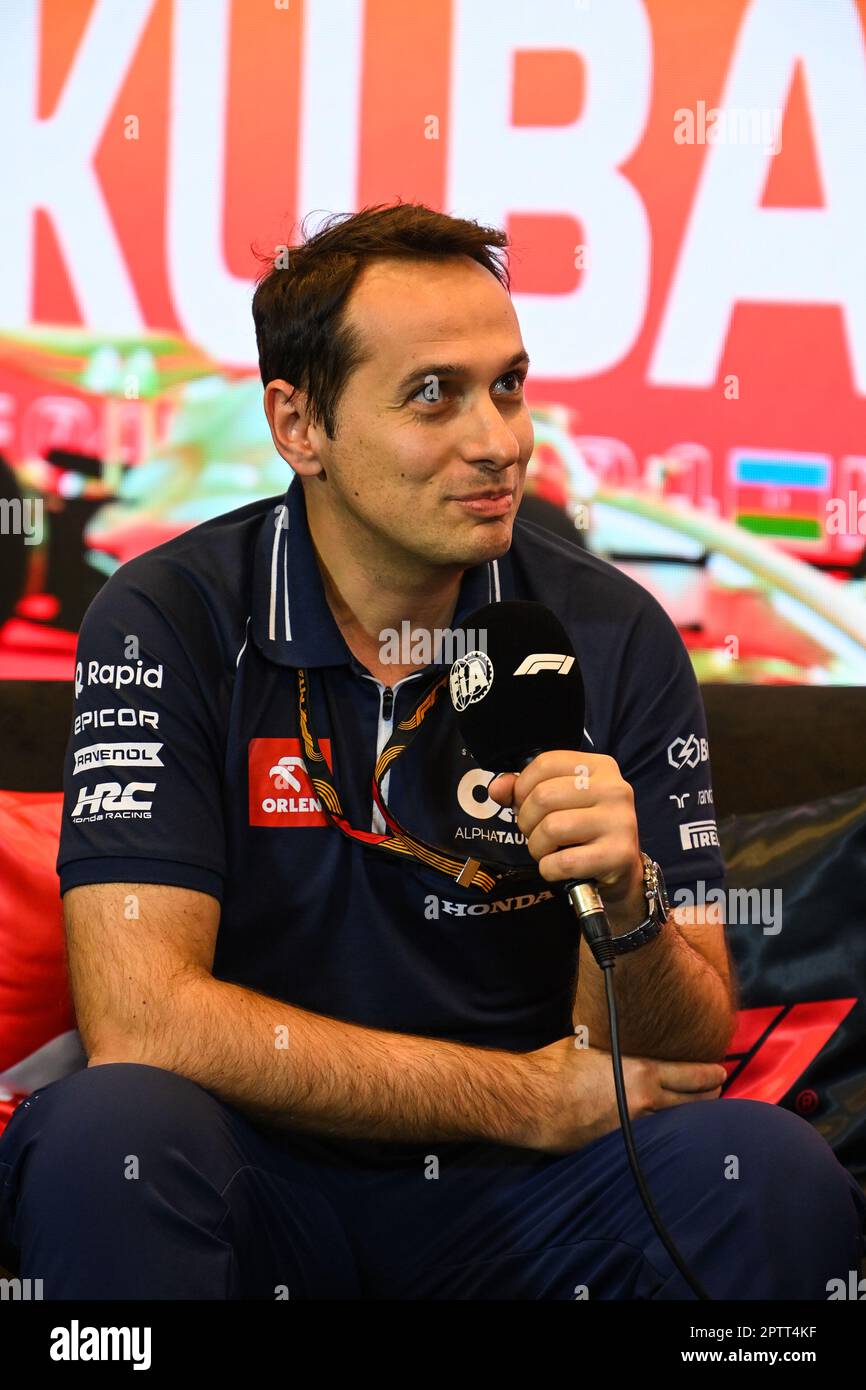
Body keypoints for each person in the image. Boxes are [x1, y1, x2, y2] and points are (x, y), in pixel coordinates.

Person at [1, 203, 863, 1300]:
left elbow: (678, 1049)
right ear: (298, 424)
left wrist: (625, 900)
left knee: (765, 1173)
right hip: (255, 1167)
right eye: (432, 395)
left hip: (529, 1196)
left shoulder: (611, 632)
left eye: (508, 386)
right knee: (105, 1130)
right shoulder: (166, 616)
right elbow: (144, 1018)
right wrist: (519, 1096)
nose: (498, 440)